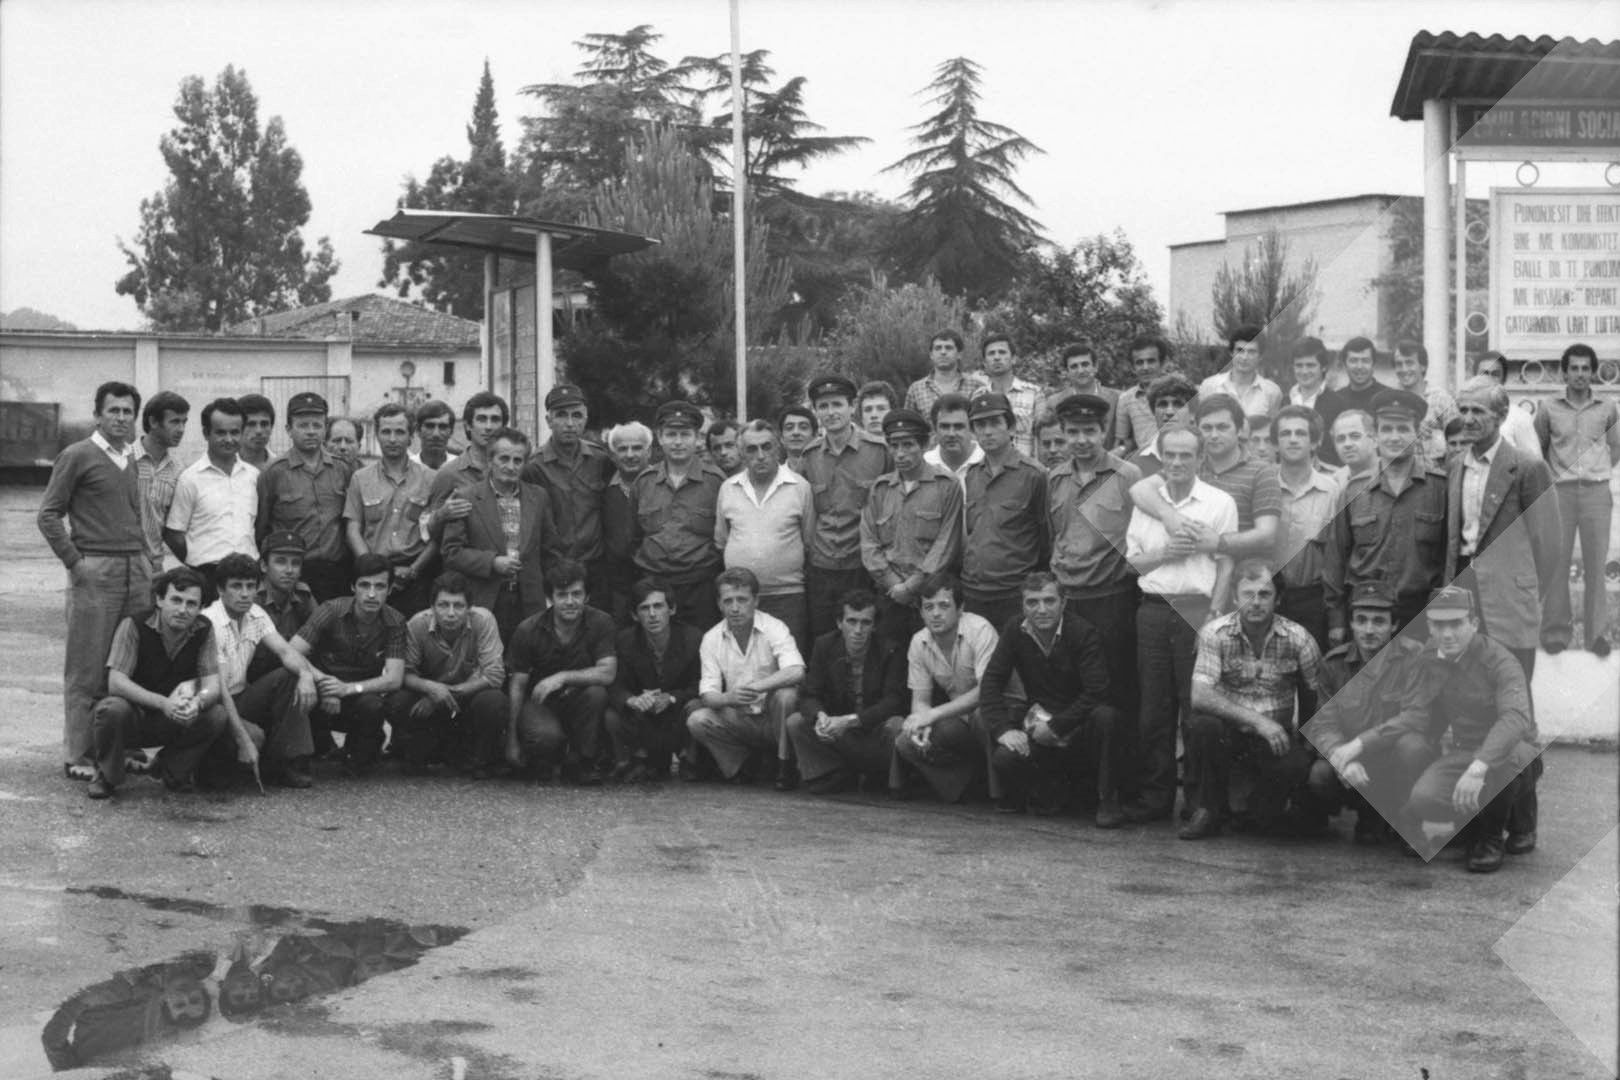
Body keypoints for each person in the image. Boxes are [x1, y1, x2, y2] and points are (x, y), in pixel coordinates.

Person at [1337, 586, 1540, 872]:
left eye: (1456, 624)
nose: (1447, 634)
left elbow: (1515, 719)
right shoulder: (1428, 658)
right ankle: (1473, 823)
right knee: (1424, 800)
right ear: (1429, 627)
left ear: (1474, 623)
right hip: (1466, 750)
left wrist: (1478, 767)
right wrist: (1360, 743)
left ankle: (1492, 837)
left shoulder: (1500, 661)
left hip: (1513, 749)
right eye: (1439, 625)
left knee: (1504, 763)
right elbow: (1414, 716)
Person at [1124, 424, 1238, 822]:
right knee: (1153, 710)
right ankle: (1156, 800)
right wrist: (1166, 553)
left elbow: (1226, 564)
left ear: (1200, 459)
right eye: (1169, 454)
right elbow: (1132, 563)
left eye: (1185, 455)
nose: (1176, 462)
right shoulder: (1147, 504)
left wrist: (1214, 616)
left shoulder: (1218, 502)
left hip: (1197, 608)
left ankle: (1197, 802)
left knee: (1195, 710)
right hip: (1153, 609)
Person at [39, 381, 151, 781]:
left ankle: (124, 746)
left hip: (135, 569)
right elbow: (48, 515)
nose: (121, 418)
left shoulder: (130, 458)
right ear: (97, 415)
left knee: (129, 662)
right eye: (113, 410)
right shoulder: (77, 455)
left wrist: (146, 561)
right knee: (87, 666)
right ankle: (80, 754)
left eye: (127, 411)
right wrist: (76, 563)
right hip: (96, 569)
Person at [1180, 560, 1327, 839]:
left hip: (1274, 738)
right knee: (1202, 726)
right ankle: (1207, 810)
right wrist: (1259, 722)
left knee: (1293, 771)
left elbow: (1315, 695)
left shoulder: (1299, 639)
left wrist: (1307, 744)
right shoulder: (1215, 633)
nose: (1256, 602)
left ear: (1278, 599)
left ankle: (1256, 810)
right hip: (1228, 732)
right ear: (1235, 597)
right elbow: (1200, 696)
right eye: (1248, 594)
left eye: (1264, 594)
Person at [1046, 394, 1142, 774]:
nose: (1081, 439)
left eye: (1089, 431)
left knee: (1115, 693)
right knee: (1071, 691)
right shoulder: (1054, 478)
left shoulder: (1127, 476)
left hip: (1111, 600)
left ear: (1104, 431)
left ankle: (1119, 782)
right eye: (1073, 432)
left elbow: (1139, 538)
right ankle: (1079, 782)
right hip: (1068, 601)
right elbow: (1053, 535)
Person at [981, 572, 1123, 826]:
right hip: (1040, 721)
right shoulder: (1015, 629)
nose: (1041, 609)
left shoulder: (1082, 632)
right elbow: (991, 681)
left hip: (1079, 722)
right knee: (1006, 757)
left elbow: (1097, 691)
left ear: (1063, 603)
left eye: (1049, 601)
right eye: (1032, 602)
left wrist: (1057, 727)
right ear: (1022, 605)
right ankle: (1049, 792)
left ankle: (1107, 801)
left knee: (1106, 717)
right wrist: (1003, 730)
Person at [1448, 375, 1562, 679]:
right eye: (1463, 410)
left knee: (1512, 683)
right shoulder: (1455, 465)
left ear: (1500, 416)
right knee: (1467, 684)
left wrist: (1525, 588)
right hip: (1463, 587)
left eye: (1478, 411)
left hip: (1509, 594)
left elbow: (1549, 545)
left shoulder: (1528, 468)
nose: (1468, 419)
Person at [85, 566, 232, 799]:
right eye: (176, 600)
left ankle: (171, 770)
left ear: (201, 607)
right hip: (131, 716)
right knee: (113, 708)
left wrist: (198, 703)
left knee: (216, 715)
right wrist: (163, 703)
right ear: (160, 600)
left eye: (191, 604)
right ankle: (106, 775)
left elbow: (212, 685)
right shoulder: (133, 625)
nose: (183, 610)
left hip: (170, 716)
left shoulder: (203, 629)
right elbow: (116, 683)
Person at [1304, 580, 1427, 845]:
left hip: (1393, 757)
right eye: (1361, 620)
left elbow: (1415, 716)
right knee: (1320, 774)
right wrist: (1343, 758)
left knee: (1413, 747)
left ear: (1394, 625)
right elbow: (1323, 725)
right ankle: (1367, 814)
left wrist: (1360, 744)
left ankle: (1406, 819)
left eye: (1379, 621)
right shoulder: (1334, 665)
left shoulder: (1414, 658)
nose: (1369, 630)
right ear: (1351, 623)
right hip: (1355, 763)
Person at [1323, 390, 1448, 642]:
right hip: (1366, 614)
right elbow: (1335, 560)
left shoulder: (1439, 487)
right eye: (1387, 429)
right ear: (1375, 436)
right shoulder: (1353, 491)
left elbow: (1448, 558)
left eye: (1403, 429)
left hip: (1421, 614)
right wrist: (1336, 621)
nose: (1394, 437)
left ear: (1416, 434)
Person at [201, 554, 318, 789]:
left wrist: (306, 675)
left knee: (289, 675)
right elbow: (221, 691)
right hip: (213, 704)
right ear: (220, 590)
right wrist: (244, 737)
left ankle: (288, 762)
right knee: (252, 736)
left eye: (250, 586)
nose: (245, 594)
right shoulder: (210, 622)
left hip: (240, 696)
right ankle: (209, 767)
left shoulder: (255, 613)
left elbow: (285, 651)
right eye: (236, 586)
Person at [1128, 393, 1281, 570]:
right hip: (1190, 572)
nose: (1214, 435)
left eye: (1222, 427)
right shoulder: (1189, 463)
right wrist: (1170, 516)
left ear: (1239, 430)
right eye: (1207, 428)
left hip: (1242, 575)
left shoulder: (1261, 472)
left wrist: (1219, 543)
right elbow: (1139, 490)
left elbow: (1267, 535)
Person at [1535, 342, 1620, 658]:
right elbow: (1539, 449)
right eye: (1574, 368)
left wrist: (1597, 471)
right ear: (1565, 372)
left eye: (1586, 368)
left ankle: (1596, 635)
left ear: (1593, 372)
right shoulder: (1549, 408)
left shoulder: (1607, 407)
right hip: (1561, 493)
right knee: (1557, 562)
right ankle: (1555, 633)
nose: (1580, 374)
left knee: (1596, 563)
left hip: (1596, 492)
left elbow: (1615, 446)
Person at [288, 554, 407, 775]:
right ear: (353, 586)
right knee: (296, 686)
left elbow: (394, 678)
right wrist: (325, 684)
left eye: (380, 586)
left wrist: (348, 689)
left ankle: (357, 755)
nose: (371, 594)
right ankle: (308, 750)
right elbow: (292, 650)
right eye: (364, 585)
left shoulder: (395, 621)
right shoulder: (331, 610)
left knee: (373, 706)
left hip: (358, 696)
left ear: (390, 589)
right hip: (322, 693)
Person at [687, 568, 806, 786]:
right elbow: (708, 693)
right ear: (719, 604)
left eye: (742, 600)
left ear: (756, 601)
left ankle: (785, 765)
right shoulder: (711, 638)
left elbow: (796, 670)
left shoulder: (774, 627)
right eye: (728, 601)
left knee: (787, 696)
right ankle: (744, 766)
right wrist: (727, 698)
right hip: (741, 716)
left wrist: (759, 687)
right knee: (698, 720)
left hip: (773, 717)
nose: (735, 608)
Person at [504, 559, 618, 784]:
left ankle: (581, 762)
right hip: (539, 703)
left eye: (576, 594)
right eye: (562, 595)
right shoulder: (528, 630)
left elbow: (607, 672)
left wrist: (562, 677)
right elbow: (517, 686)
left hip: (578, 701)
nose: (570, 601)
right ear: (550, 598)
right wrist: (512, 740)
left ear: (587, 596)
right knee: (545, 737)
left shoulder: (602, 622)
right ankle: (544, 759)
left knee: (597, 693)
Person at [441, 426, 559, 642]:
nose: (510, 466)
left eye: (518, 461)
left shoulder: (538, 497)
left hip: (529, 601)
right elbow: (451, 552)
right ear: (490, 460)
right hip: (485, 598)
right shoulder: (467, 497)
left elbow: (550, 550)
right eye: (504, 459)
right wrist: (492, 562)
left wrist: (551, 594)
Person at [784, 590, 908, 795]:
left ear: (874, 625)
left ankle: (888, 779)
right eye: (851, 621)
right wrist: (820, 717)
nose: (858, 630)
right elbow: (809, 694)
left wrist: (851, 721)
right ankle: (831, 774)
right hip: (839, 731)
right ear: (839, 623)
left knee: (896, 725)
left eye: (865, 623)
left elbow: (894, 702)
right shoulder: (824, 645)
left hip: (873, 729)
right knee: (796, 722)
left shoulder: (890, 649)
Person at [386, 570, 507, 776]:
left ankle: (479, 758)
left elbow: (494, 675)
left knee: (494, 701)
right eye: (443, 605)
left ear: (469, 607)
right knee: (398, 701)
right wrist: (431, 689)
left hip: (467, 697)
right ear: (432, 606)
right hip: (428, 699)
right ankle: (420, 750)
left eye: (458, 606)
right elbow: (405, 674)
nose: (451, 613)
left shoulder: (483, 620)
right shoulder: (417, 624)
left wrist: (444, 693)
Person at [892, 573, 999, 803]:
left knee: (982, 716)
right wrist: (922, 721)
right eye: (928, 607)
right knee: (906, 741)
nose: (936, 613)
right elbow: (920, 699)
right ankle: (966, 788)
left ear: (960, 608)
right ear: (921, 612)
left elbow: (986, 692)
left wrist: (933, 715)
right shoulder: (918, 641)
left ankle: (999, 794)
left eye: (944, 605)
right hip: (960, 719)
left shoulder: (980, 629)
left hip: (999, 711)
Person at [799, 373, 891, 639]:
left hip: (862, 566)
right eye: (823, 406)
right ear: (816, 411)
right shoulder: (809, 456)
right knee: (823, 638)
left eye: (837, 404)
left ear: (852, 407)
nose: (831, 412)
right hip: (822, 567)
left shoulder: (879, 451)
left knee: (864, 638)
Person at [860, 408, 964, 643]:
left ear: (925, 445)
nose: (900, 453)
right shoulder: (880, 489)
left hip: (932, 596)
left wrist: (911, 586)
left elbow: (946, 544)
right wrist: (893, 584)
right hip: (889, 595)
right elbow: (868, 543)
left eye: (908, 445)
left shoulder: (946, 485)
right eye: (894, 446)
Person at [715, 419, 814, 650]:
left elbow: (809, 542)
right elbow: (722, 540)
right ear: (741, 453)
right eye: (752, 449)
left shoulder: (800, 487)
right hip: (740, 598)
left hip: (788, 597)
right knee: (744, 661)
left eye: (766, 447)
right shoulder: (728, 488)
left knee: (788, 662)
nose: (760, 455)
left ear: (778, 447)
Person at [630, 401, 727, 632]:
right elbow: (633, 537)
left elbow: (725, 537)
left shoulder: (716, 481)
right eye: (671, 434)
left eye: (685, 434)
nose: (678, 441)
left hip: (700, 586)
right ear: (659, 437)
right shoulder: (644, 482)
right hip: (654, 586)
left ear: (697, 438)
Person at [961, 392, 1050, 630]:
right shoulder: (972, 475)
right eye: (980, 425)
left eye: (994, 423)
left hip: (1015, 592)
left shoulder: (1034, 474)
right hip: (974, 590)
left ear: (1010, 427)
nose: (987, 431)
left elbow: (1046, 537)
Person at [520, 384, 616, 602]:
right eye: (562, 415)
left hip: (596, 567)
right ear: (549, 420)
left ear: (585, 419)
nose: (570, 423)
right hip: (555, 568)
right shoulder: (533, 467)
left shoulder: (600, 460)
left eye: (577, 415)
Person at [256, 392, 352, 601]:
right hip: (295, 575)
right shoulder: (273, 473)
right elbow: (262, 529)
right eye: (303, 425)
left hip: (337, 572)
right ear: (288, 430)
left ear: (325, 428)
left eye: (317, 425)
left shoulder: (342, 469)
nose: (311, 431)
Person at [605, 578, 704, 782]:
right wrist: (633, 700)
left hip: (678, 715)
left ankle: (690, 760)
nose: (652, 614)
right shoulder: (624, 640)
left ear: (672, 609)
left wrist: (672, 698)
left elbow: (702, 685)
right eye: (644, 608)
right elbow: (615, 685)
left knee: (697, 706)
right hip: (644, 716)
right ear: (634, 615)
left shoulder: (693, 638)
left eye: (658, 606)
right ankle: (633, 761)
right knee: (612, 714)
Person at [343, 403, 436, 617]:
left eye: (399, 432)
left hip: (414, 577)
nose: (392, 439)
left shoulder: (430, 479)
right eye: (386, 432)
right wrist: (372, 570)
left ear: (411, 436)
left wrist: (414, 570)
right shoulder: (360, 478)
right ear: (376, 435)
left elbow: (436, 535)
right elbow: (352, 529)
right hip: (371, 576)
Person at [165, 397, 259, 583]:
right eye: (221, 433)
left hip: (249, 576)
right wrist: (198, 563)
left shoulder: (254, 476)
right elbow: (174, 534)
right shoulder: (190, 478)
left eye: (235, 432)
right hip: (207, 575)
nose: (229, 439)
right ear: (206, 433)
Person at [1271, 405, 1341, 651]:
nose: (1292, 439)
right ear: (1275, 443)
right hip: (1269, 599)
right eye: (1285, 433)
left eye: (1300, 433)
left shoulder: (1332, 491)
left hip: (1314, 599)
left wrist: (1336, 617)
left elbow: (1338, 557)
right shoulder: (1263, 486)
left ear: (1314, 442)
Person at [424, 392, 511, 540]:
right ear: (468, 425)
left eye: (495, 420)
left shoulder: (513, 470)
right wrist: (441, 515)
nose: (488, 427)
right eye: (481, 419)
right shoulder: (449, 473)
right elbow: (429, 532)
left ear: (503, 426)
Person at [601, 421, 654, 625]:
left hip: (656, 582)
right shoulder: (603, 490)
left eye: (637, 448)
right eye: (623, 449)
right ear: (612, 455)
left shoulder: (663, 485)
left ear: (649, 451)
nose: (630, 455)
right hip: (616, 588)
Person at [134, 390, 189, 575]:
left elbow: (172, 528)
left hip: (154, 568)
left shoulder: (179, 470)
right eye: (175, 422)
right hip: (119, 566)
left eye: (184, 422)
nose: (181, 429)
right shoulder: (124, 459)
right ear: (153, 422)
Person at [1316, 335, 1387, 466]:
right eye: (1353, 361)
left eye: (1365, 361)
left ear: (1374, 364)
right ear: (1345, 365)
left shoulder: (1387, 398)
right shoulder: (1333, 400)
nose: (1359, 366)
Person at [1198, 324, 1283, 421]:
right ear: (1231, 352)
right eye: (1240, 350)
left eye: (1251, 352)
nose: (1244, 357)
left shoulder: (1272, 392)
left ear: (1260, 356)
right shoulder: (1210, 386)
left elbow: (1269, 426)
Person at [1392, 340, 1456, 467]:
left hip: (1436, 471)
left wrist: (1435, 436)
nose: (1404, 369)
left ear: (1423, 366)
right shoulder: (1390, 399)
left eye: (1409, 363)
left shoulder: (1441, 399)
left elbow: (1458, 438)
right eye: (1399, 364)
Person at [979, 332, 1044, 457]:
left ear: (1013, 359)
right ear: (984, 362)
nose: (997, 357)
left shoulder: (1034, 393)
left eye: (1002, 352)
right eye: (991, 353)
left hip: (1024, 465)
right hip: (988, 466)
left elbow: (1041, 435)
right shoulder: (978, 397)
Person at [1041, 341, 1118, 445]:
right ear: (1067, 371)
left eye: (1085, 364)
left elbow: (1126, 439)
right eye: (1074, 366)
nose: (1080, 371)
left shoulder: (1116, 398)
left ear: (1095, 367)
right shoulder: (1055, 402)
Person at [1472, 352, 1544, 460]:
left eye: (1495, 374)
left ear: (1504, 379)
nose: (1489, 379)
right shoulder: (1462, 415)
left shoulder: (1519, 417)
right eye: (1484, 374)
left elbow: (1535, 463)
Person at [1127, 373, 1198, 479]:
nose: (1169, 412)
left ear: (1192, 413)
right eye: (1163, 404)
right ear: (1153, 412)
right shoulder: (1135, 462)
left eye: (1178, 404)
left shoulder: (1210, 456)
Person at [903, 329, 989, 416]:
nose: (943, 352)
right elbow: (908, 422)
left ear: (959, 354)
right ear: (931, 355)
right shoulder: (916, 390)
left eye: (948, 348)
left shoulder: (976, 386)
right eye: (938, 348)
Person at [1112, 335, 1169, 458]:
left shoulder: (1179, 395)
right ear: (1133, 367)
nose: (1145, 368)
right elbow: (1122, 441)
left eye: (1151, 361)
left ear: (1163, 363)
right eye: (1139, 362)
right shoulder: (1126, 399)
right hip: (1146, 462)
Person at [922, 393, 982, 483]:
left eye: (959, 426)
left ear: (971, 428)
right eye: (945, 426)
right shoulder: (925, 464)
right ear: (934, 429)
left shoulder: (987, 460)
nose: (951, 434)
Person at [1329, 409, 1379, 506]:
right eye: (1340, 439)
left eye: (1355, 436)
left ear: (1375, 440)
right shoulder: (1335, 483)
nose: (1347, 444)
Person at [1286, 337, 1329, 412]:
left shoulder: (1339, 404)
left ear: (1323, 367)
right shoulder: (1285, 401)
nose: (1304, 372)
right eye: (1299, 365)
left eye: (1310, 365)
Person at [412, 398, 455, 470]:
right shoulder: (405, 469)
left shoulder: (462, 469)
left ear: (451, 432)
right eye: (430, 426)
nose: (436, 434)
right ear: (418, 430)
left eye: (443, 427)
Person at [236, 394, 276, 469]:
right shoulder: (222, 468)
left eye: (264, 424)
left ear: (271, 427)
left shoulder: (282, 467)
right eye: (251, 424)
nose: (259, 431)